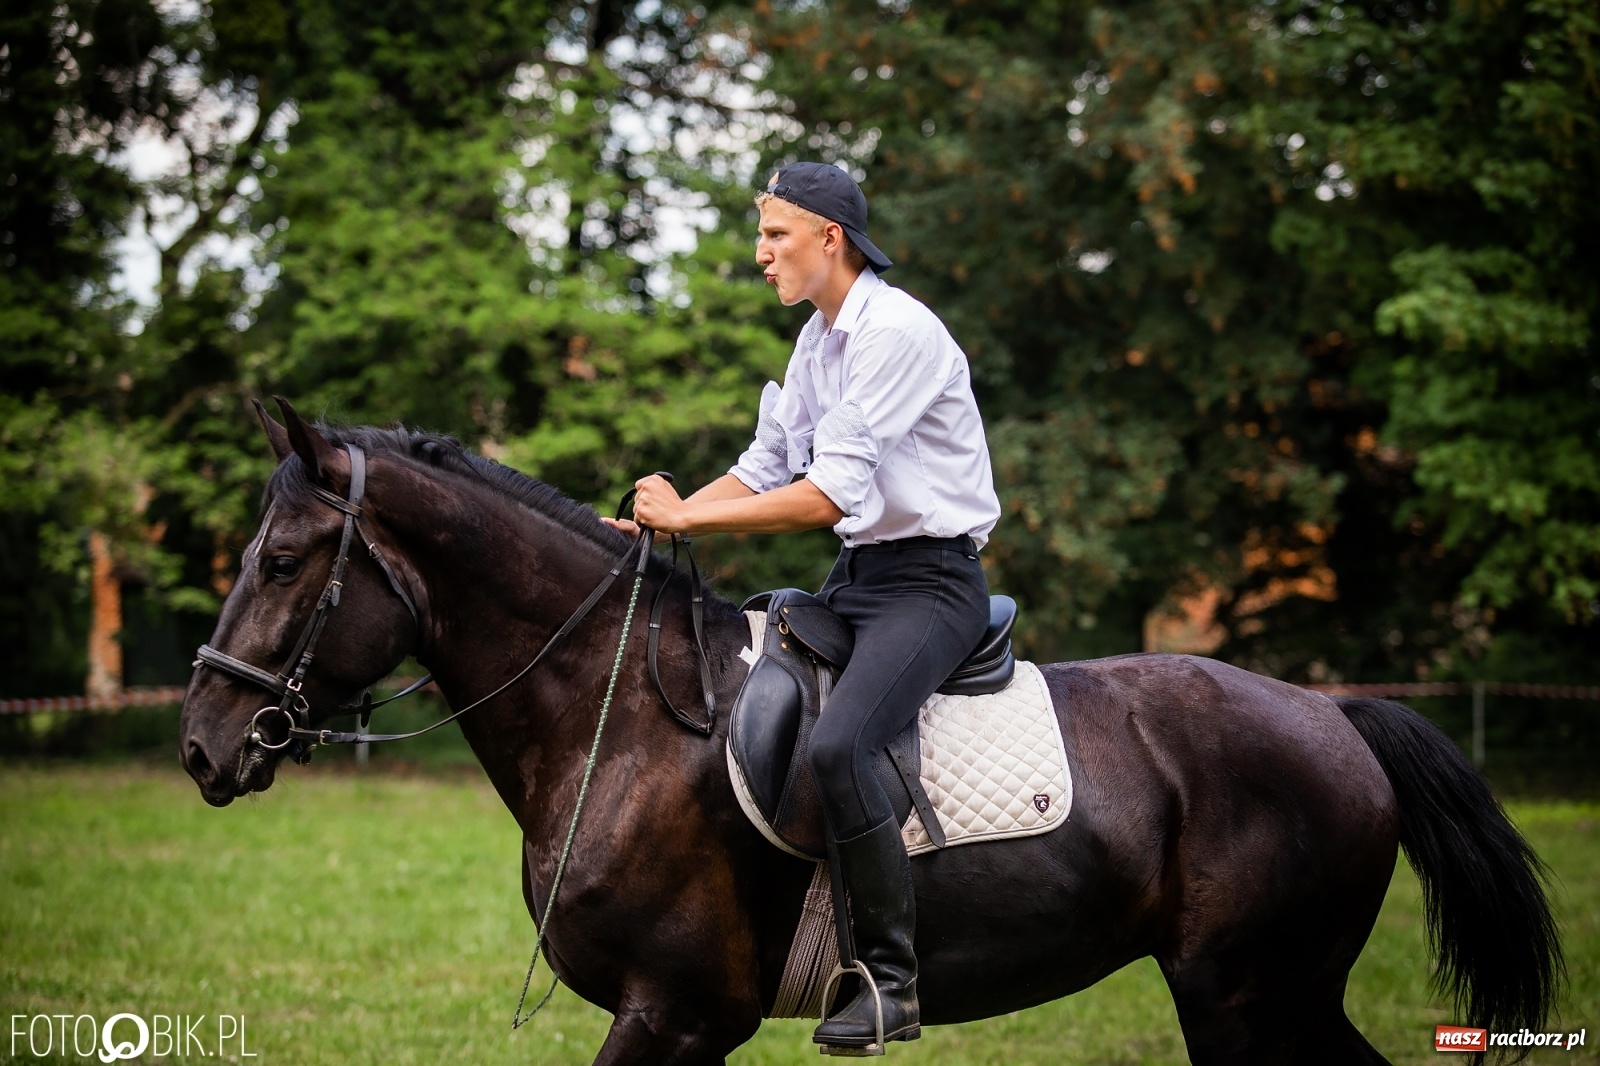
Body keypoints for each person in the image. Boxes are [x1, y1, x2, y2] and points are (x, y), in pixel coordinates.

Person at [607, 161, 1001, 1051]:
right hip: (858, 583)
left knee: (842, 742)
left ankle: (891, 980)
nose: (761, 253)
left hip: (932, 587)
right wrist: (651, 530)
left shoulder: (894, 332)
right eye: (761, 234)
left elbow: (825, 495)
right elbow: (764, 467)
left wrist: (688, 513)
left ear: (831, 238)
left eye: (775, 234)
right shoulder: (817, 340)